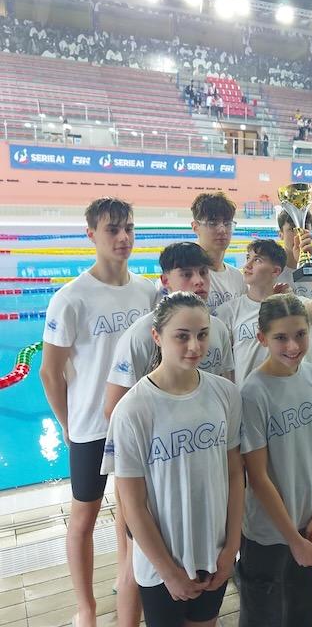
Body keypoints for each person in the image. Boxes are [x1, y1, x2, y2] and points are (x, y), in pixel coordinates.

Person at [40, 197, 156, 627]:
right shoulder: (70, 298)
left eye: (129, 228)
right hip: (91, 426)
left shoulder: (148, 291)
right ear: (91, 234)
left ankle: (128, 592)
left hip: (138, 425)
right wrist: (68, 426)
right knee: (84, 517)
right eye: (112, 229)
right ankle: (85, 607)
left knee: (133, 515)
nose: (123, 237)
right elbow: (49, 372)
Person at [104, 242, 234, 626]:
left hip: (212, 542)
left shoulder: (224, 389)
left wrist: (232, 547)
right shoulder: (134, 405)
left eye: (202, 335)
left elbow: (234, 470)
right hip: (160, 551)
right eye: (182, 337)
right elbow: (133, 503)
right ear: (158, 337)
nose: (195, 346)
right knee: (134, 575)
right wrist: (168, 571)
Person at [237, 294, 312, 627]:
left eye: (300, 335)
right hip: (268, 533)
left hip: (308, 523)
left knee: (303, 611)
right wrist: (293, 539)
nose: (293, 346)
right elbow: (258, 477)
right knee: (262, 617)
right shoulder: (253, 393)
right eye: (281, 337)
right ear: (262, 337)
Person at [216, 239, 312, 385]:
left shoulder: (294, 306)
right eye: (248, 258)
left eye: (257, 260)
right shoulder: (229, 311)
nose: (247, 265)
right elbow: (224, 365)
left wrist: (308, 265)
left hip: (296, 392)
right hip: (250, 395)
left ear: (275, 271)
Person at [189, 192, 246, 312]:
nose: (222, 230)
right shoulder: (185, 276)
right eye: (213, 223)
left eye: (227, 223)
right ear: (195, 227)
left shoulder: (238, 278)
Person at [276, 209, 312, 298]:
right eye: (292, 229)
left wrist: (308, 264)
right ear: (281, 234)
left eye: (304, 228)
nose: (298, 235)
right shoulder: (271, 273)